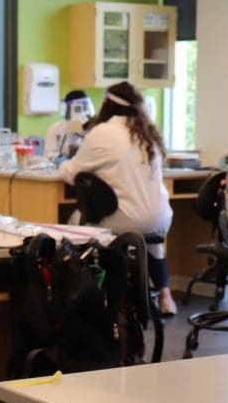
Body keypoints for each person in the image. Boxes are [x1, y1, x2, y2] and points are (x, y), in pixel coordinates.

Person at [58, 81, 176, 315]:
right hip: (159, 220)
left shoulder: (103, 132)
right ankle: (165, 295)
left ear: (107, 105)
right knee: (150, 239)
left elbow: (71, 173)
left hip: (125, 222)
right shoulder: (146, 133)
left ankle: (86, 293)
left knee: (73, 223)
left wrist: (61, 164)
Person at [44, 90, 93, 161]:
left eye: (84, 108)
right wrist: (64, 151)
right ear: (68, 109)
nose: (82, 114)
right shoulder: (56, 129)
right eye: (77, 109)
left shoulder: (93, 129)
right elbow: (48, 157)